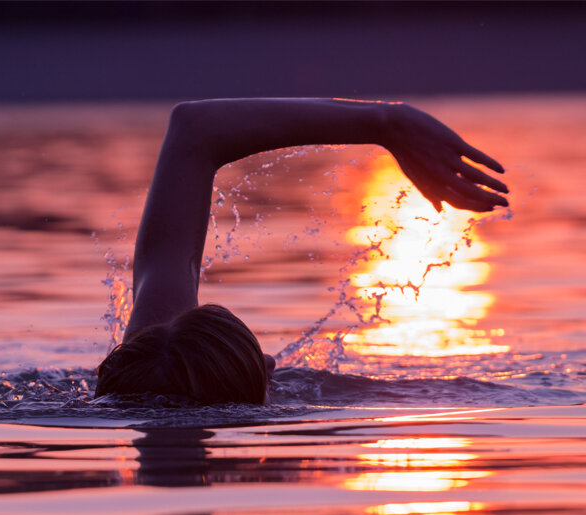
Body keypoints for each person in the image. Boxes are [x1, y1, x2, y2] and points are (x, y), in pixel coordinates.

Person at [95, 98, 509, 405]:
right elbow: (194, 125)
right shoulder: (154, 366)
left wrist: (387, 123)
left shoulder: (154, 355)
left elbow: (194, 128)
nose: (273, 362)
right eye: (259, 365)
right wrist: (387, 121)